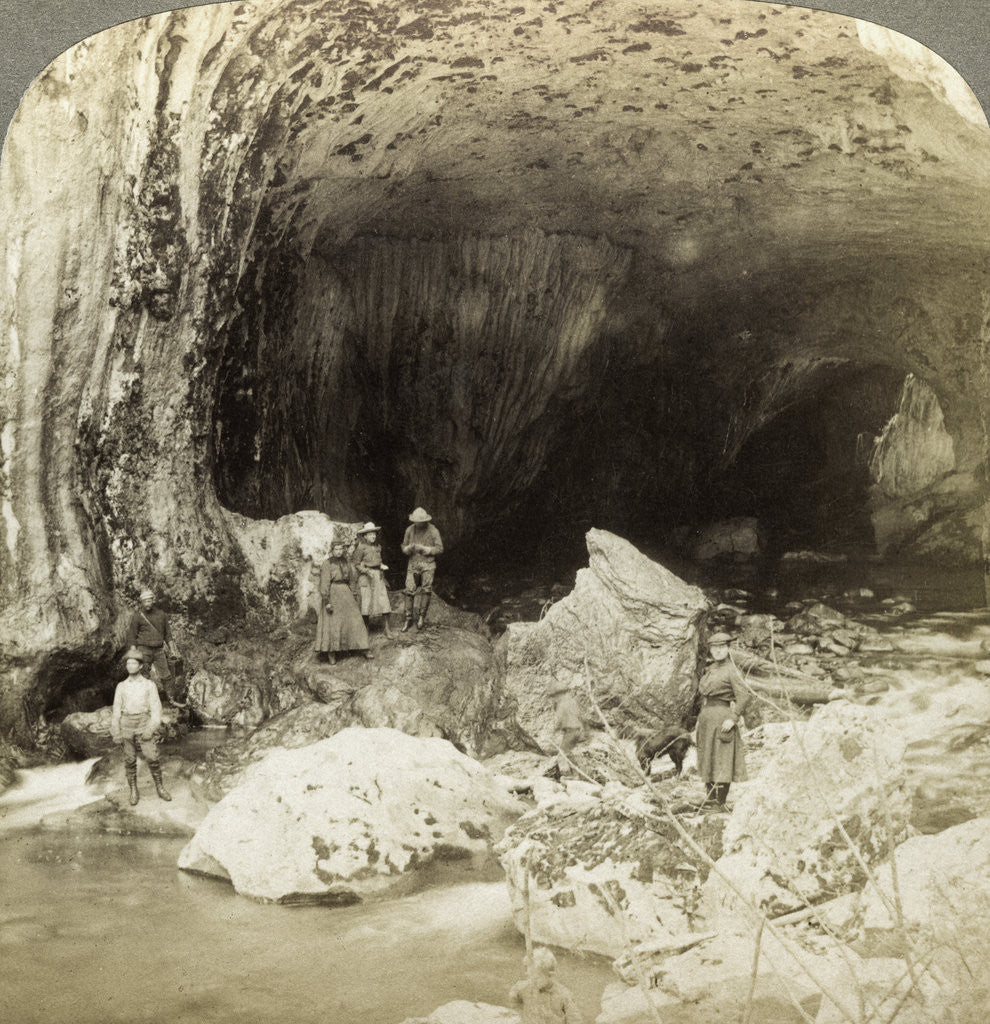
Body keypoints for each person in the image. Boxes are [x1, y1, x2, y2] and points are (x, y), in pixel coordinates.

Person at [695, 632, 751, 808]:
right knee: (707, 756)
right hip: (706, 718)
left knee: (722, 758)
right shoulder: (711, 669)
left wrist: (733, 718)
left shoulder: (733, 670)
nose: (717, 651)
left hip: (722, 718)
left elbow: (744, 696)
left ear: (728, 648)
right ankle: (710, 798)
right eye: (714, 648)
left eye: (721, 647)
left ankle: (720, 801)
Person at [110, 647, 171, 806]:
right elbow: (116, 710)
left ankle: (160, 787)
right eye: (128, 663)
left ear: (140, 666)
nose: (130, 666)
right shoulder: (121, 686)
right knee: (129, 760)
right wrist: (116, 731)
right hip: (126, 725)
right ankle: (133, 790)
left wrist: (150, 729)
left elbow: (156, 710)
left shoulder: (149, 685)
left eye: (133, 663)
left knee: (152, 757)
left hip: (144, 723)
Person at [315, 540, 371, 664]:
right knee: (333, 623)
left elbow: (351, 579)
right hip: (333, 593)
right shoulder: (327, 564)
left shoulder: (346, 562)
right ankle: (332, 653)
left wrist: (354, 593)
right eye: (337, 549)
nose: (339, 552)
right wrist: (327, 601)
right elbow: (324, 583)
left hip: (346, 592)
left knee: (355, 618)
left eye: (341, 549)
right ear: (332, 550)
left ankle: (364, 648)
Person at [124, 588, 177, 701]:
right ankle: (142, 701)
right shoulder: (138, 616)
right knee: (143, 675)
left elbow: (168, 634)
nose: (147, 603)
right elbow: (132, 636)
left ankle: (171, 699)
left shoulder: (161, 615)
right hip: (143, 649)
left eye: (149, 600)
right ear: (142, 602)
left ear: (153, 600)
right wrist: (134, 653)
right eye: (145, 601)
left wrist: (173, 650)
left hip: (159, 650)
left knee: (166, 675)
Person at [509, 947, 583, 1024]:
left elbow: (575, 1020)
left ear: (550, 975)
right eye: (530, 977)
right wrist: (522, 1014)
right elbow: (514, 997)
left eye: (536, 978)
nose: (532, 982)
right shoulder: (524, 987)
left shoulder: (564, 996)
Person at [400, 507, 444, 631]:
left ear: (425, 521)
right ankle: (408, 619)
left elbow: (440, 548)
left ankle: (421, 617)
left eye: (420, 522)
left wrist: (427, 550)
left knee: (426, 590)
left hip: (428, 564)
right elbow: (403, 545)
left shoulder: (433, 530)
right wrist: (407, 549)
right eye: (415, 521)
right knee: (409, 590)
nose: (417, 524)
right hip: (413, 563)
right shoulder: (409, 530)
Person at [353, 522, 394, 640]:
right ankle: (366, 629)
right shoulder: (360, 547)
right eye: (370, 534)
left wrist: (382, 565)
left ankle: (387, 629)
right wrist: (366, 571)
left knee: (384, 600)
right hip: (366, 577)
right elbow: (356, 564)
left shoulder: (378, 547)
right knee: (366, 603)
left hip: (378, 576)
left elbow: (378, 561)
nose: (373, 536)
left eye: (374, 534)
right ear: (365, 536)